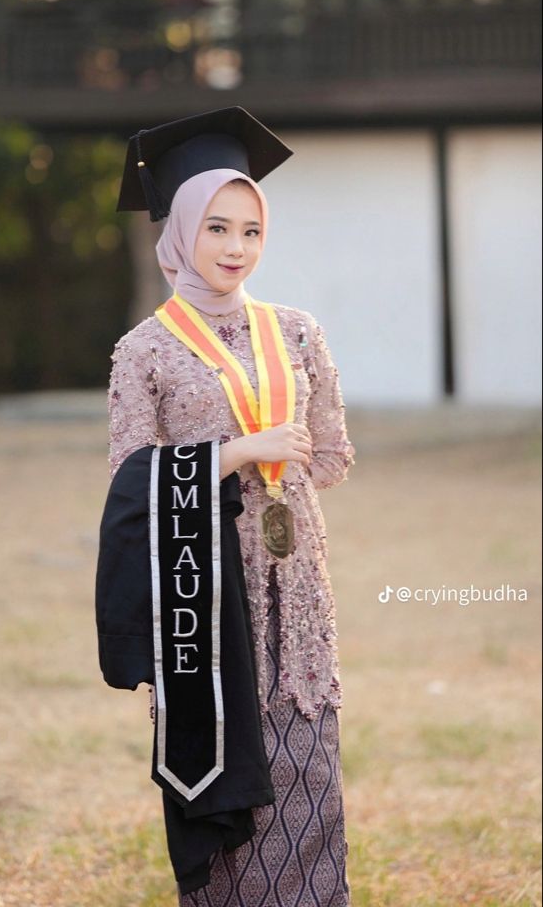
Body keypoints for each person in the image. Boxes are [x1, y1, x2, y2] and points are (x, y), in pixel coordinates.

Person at [107, 106, 356, 906]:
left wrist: (281, 468)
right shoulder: (145, 350)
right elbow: (131, 485)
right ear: (181, 229)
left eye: (252, 231)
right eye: (217, 228)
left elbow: (330, 456)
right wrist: (238, 453)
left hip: (295, 583)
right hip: (204, 591)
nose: (236, 250)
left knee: (306, 759)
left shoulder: (299, 334)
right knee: (225, 771)